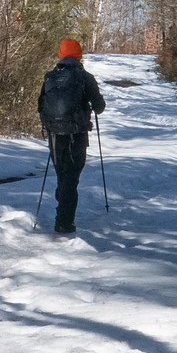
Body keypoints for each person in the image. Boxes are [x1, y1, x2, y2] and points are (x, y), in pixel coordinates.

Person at [37, 39, 105, 235]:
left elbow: (40, 105)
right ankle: (64, 223)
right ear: (79, 55)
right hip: (77, 134)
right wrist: (90, 105)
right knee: (72, 178)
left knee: (63, 176)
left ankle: (62, 211)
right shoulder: (85, 77)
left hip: (55, 135)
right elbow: (99, 107)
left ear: (61, 54)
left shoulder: (49, 77)